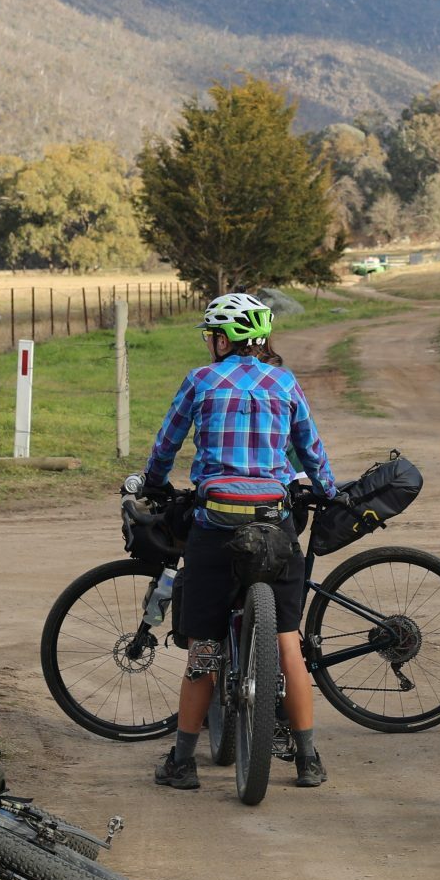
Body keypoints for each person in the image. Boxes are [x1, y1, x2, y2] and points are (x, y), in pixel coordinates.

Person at [141, 292, 337, 793]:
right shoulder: (284, 381)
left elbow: (167, 443)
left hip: (216, 522)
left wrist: (154, 482)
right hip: (275, 522)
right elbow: (310, 449)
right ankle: (308, 758)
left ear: (225, 338)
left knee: (203, 645)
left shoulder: (200, 381)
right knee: (287, 639)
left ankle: (183, 762)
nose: (211, 342)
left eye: (213, 334)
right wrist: (329, 492)